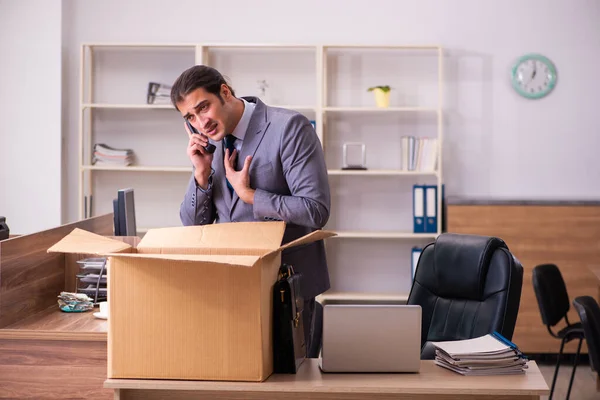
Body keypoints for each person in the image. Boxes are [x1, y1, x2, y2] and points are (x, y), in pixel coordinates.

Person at [170, 65, 331, 354]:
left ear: (225, 92)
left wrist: (251, 195)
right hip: (231, 288)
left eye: (203, 108)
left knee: (291, 389)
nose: (200, 123)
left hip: (287, 289)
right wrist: (201, 174)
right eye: (190, 117)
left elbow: (315, 210)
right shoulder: (210, 145)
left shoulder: (289, 128)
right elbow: (192, 225)